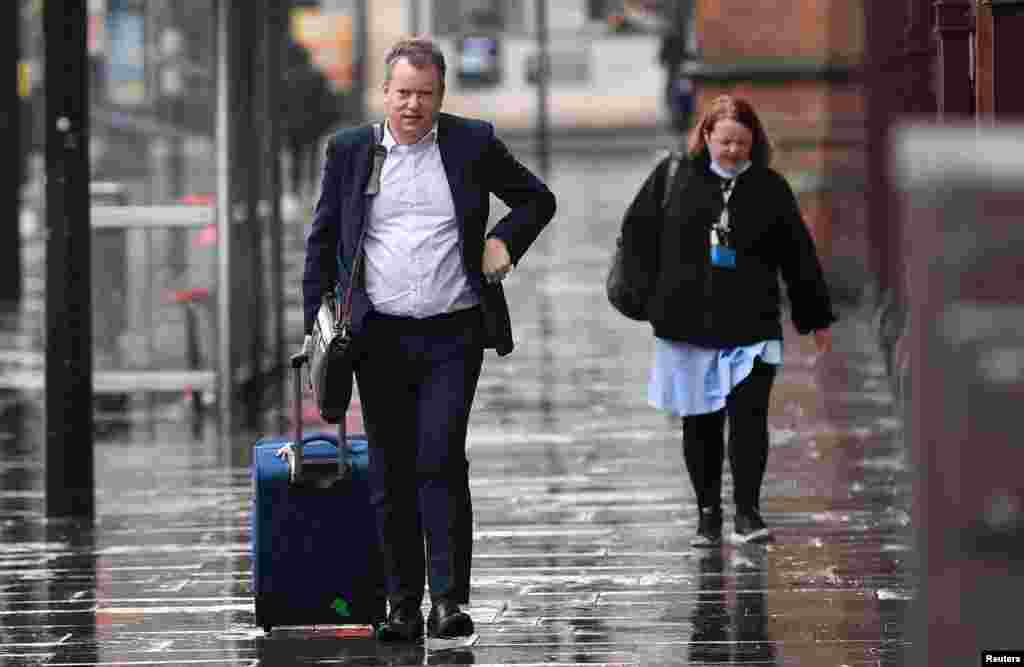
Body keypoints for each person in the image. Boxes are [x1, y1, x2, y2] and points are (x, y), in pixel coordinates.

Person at [302, 37, 556, 641]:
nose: (412, 105)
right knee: (391, 469)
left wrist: (503, 243)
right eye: (402, 93)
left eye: (425, 94)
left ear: (440, 95)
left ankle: (448, 600)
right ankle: (400, 604)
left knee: (440, 457)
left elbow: (536, 199)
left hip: (453, 331)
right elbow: (323, 241)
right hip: (378, 336)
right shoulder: (350, 152)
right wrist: (316, 329)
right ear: (384, 93)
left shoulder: (471, 142)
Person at [620, 94, 835, 547]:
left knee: (749, 419)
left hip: (751, 323)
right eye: (725, 141)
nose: (733, 150)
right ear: (705, 137)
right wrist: (648, 298)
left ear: (754, 141)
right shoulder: (674, 177)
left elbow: (798, 255)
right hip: (686, 323)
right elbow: (636, 234)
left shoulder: (770, 187)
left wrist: (813, 316)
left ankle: (747, 512)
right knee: (699, 422)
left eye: (742, 142)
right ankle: (707, 512)